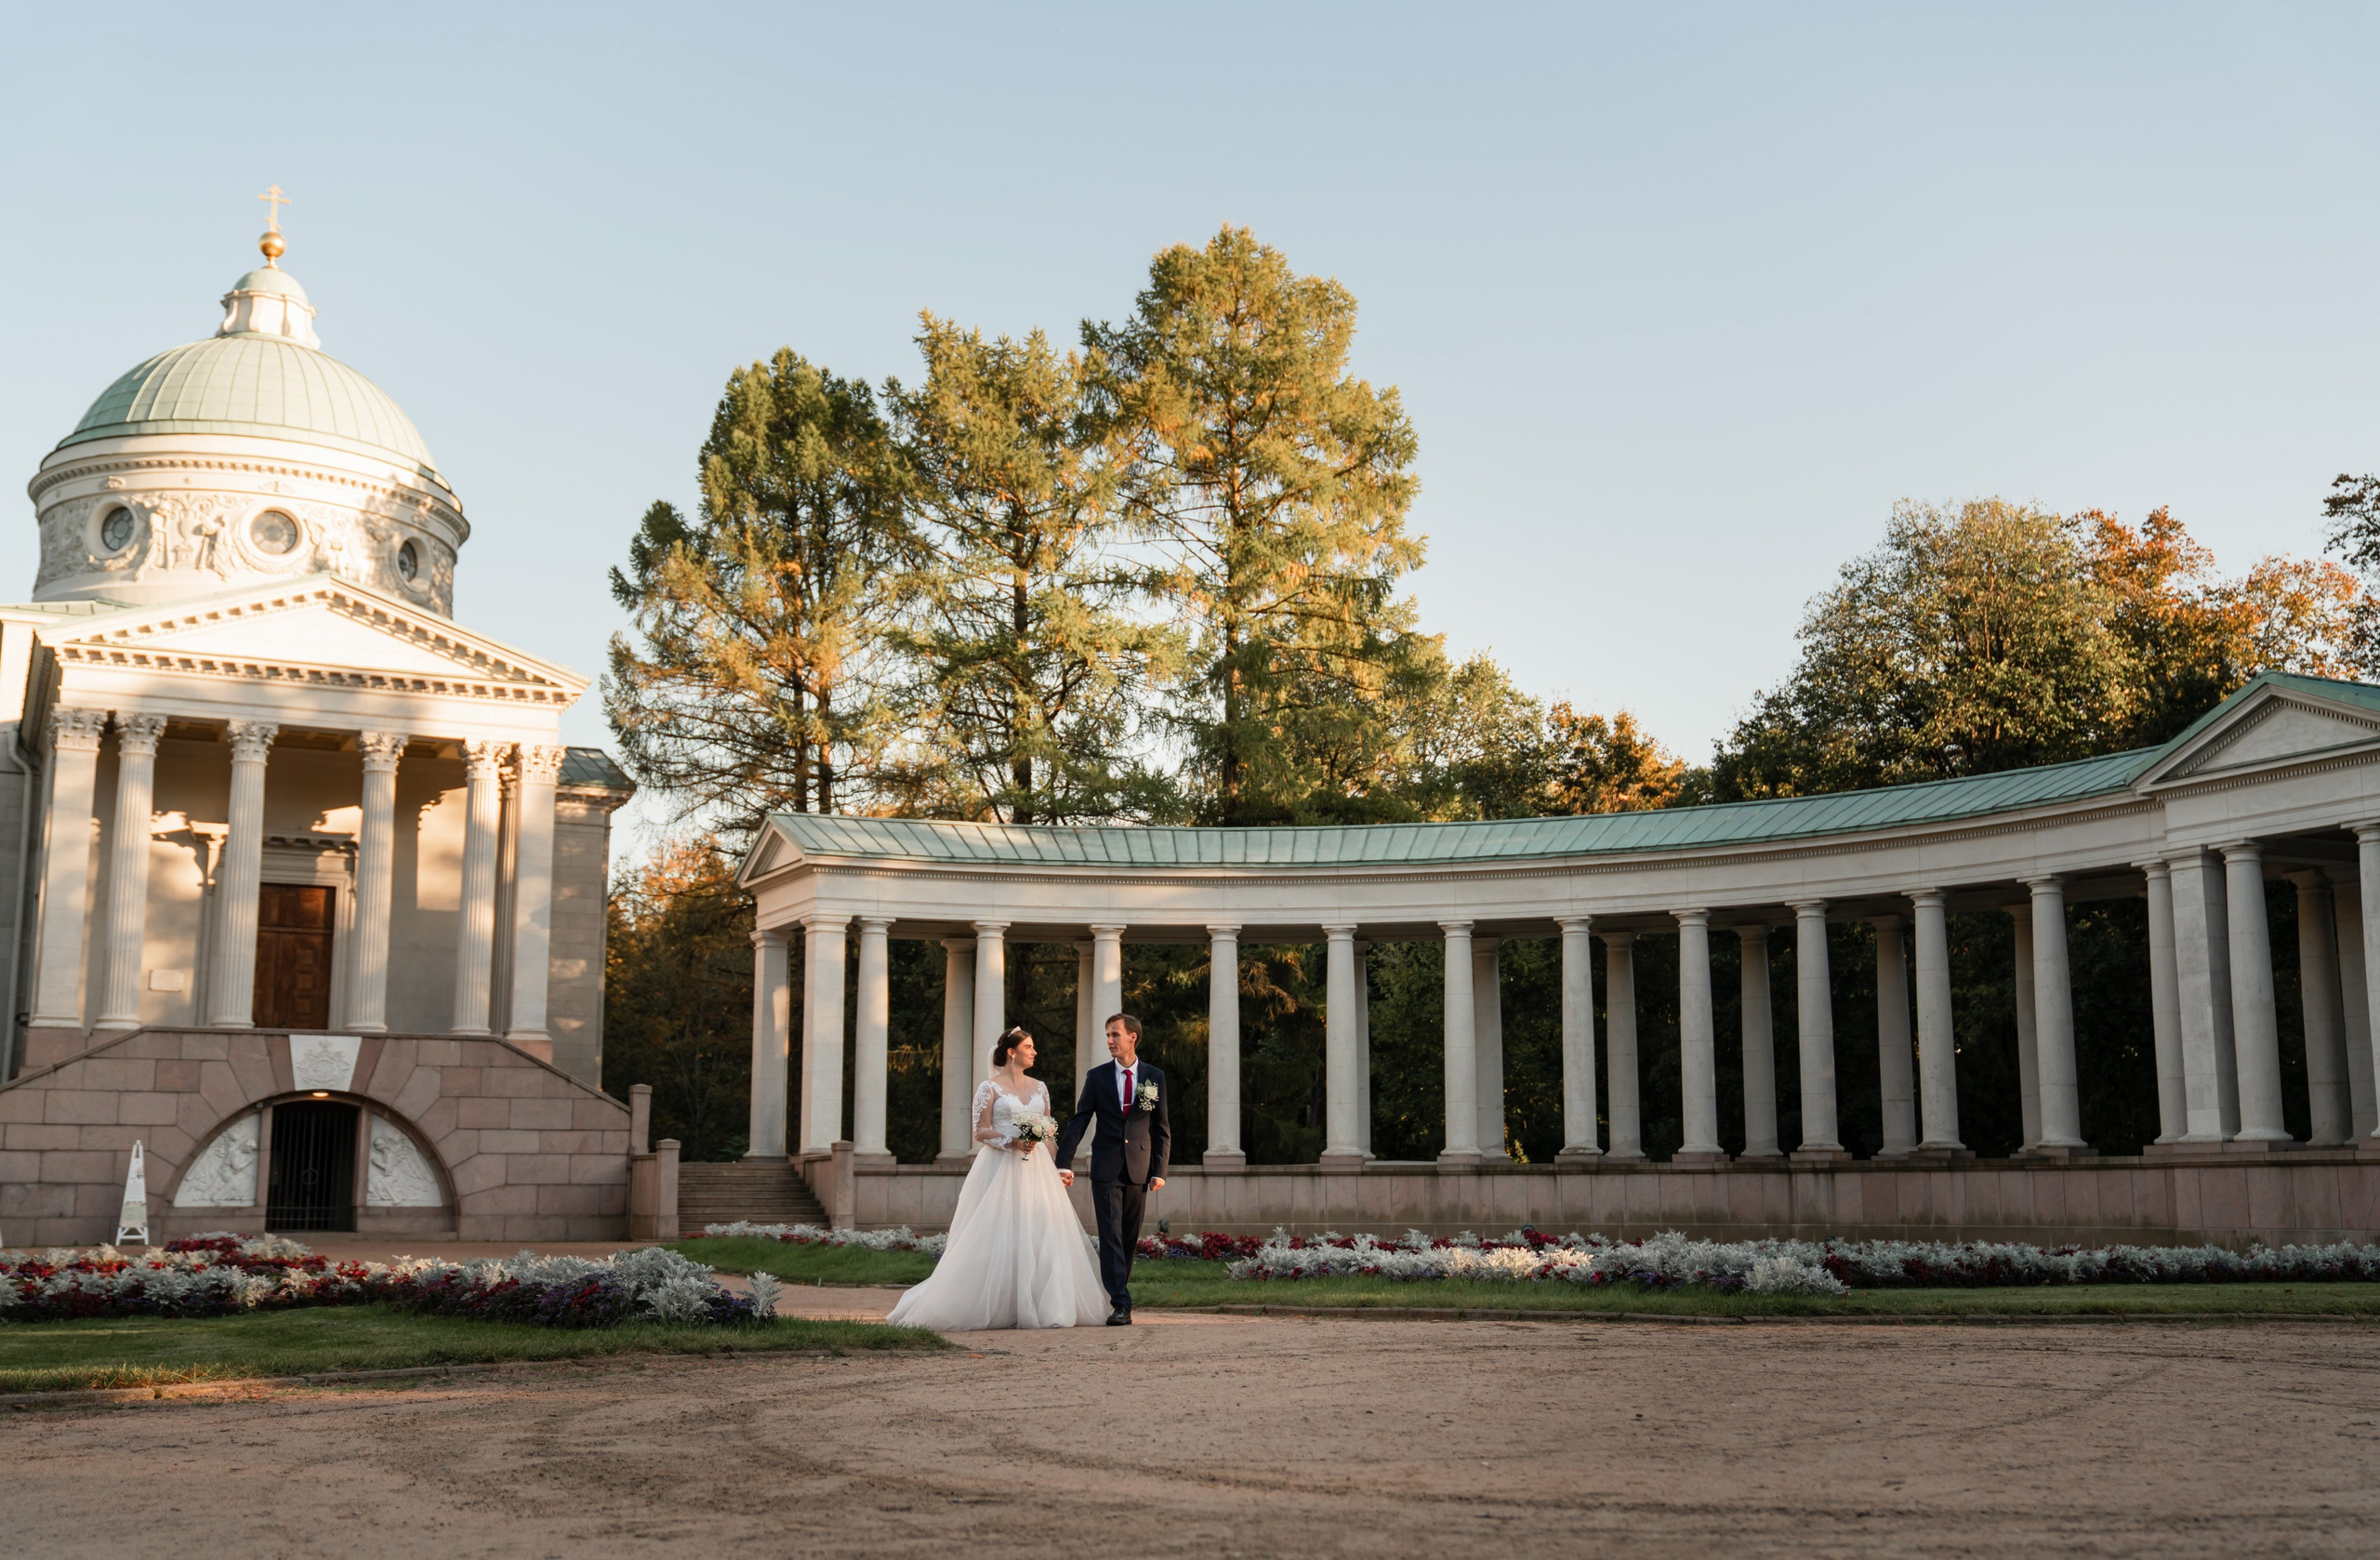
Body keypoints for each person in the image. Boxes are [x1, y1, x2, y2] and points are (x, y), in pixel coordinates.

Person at [884, 1026, 1108, 1329]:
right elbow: (980, 1130)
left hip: (1038, 1169)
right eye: (1028, 1047)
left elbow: (1047, 1134)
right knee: (999, 1231)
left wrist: (1060, 1168)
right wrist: (1013, 1141)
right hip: (1000, 1167)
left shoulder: (1040, 1088)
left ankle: (1047, 1306)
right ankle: (998, 1302)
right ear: (1011, 1052)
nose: (1034, 1052)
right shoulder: (989, 1088)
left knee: (1042, 1231)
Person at [1053, 1012, 1170, 1326]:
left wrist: (1159, 1169)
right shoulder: (1097, 1077)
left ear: (1133, 1037)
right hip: (1105, 1167)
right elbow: (1080, 1120)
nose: (1110, 1041)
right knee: (1110, 1235)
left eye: (1115, 1034)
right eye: (1107, 1035)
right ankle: (1121, 1302)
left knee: (1128, 1236)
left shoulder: (1154, 1076)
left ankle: (1119, 1293)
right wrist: (1063, 1162)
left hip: (1139, 1169)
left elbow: (1161, 1128)